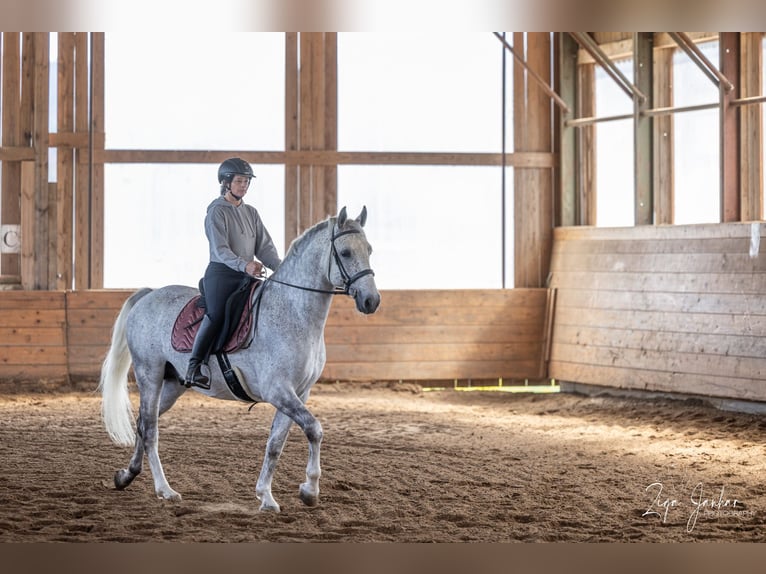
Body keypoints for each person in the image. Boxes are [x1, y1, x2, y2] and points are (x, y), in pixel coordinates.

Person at [184, 157, 282, 389]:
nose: (244, 186)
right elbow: (220, 250)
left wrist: (282, 268)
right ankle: (194, 366)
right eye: (239, 181)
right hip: (222, 275)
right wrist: (244, 265)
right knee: (217, 314)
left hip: (246, 276)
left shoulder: (251, 212)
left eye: (247, 181)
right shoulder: (216, 212)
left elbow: (265, 247)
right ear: (226, 182)